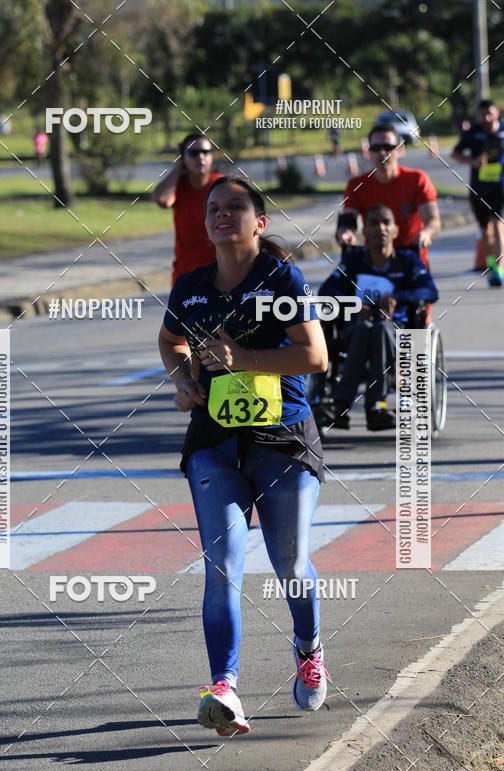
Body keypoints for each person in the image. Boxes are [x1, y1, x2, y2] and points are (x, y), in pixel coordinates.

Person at [158, 176, 329, 736]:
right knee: (222, 566)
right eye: (214, 207)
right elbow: (170, 340)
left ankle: (308, 648)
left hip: (282, 439)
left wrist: (243, 358)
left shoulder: (282, 279)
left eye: (236, 206)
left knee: (290, 565)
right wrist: (184, 381)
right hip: (214, 443)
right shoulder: (190, 287)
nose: (222, 214)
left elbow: (315, 356)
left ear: (259, 222)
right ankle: (224, 688)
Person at [320, 204, 438, 431]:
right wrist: (354, 305)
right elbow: (327, 290)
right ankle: (341, 405)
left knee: (382, 328)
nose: (380, 228)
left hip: (395, 332)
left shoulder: (407, 260)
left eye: (386, 223)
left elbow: (429, 291)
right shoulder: (353, 260)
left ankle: (376, 404)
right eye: (373, 223)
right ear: (365, 231)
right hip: (355, 331)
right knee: (365, 329)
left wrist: (397, 298)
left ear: (395, 230)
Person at [336, 124, 441, 266]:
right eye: (376, 148)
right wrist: (345, 233)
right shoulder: (356, 185)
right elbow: (347, 222)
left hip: (412, 261)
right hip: (375, 264)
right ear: (369, 152)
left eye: (388, 147)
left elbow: (433, 221)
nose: (382, 153)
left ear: (400, 150)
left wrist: (426, 234)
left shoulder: (417, 179)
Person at [152, 133, 221, 285]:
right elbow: (163, 199)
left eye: (205, 152)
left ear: (212, 156)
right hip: (184, 275)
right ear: (183, 157)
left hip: (217, 273)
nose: (200, 157)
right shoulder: (178, 185)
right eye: (193, 153)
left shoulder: (220, 185)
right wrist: (178, 166)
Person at [451, 99, 504, 287]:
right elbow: (455, 153)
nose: (486, 118)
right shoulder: (473, 132)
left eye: (490, 113)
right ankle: (491, 266)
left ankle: (500, 268)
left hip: (500, 187)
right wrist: (472, 161)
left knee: (498, 225)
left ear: (497, 113)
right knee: (485, 230)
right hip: (479, 189)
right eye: (483, 114)